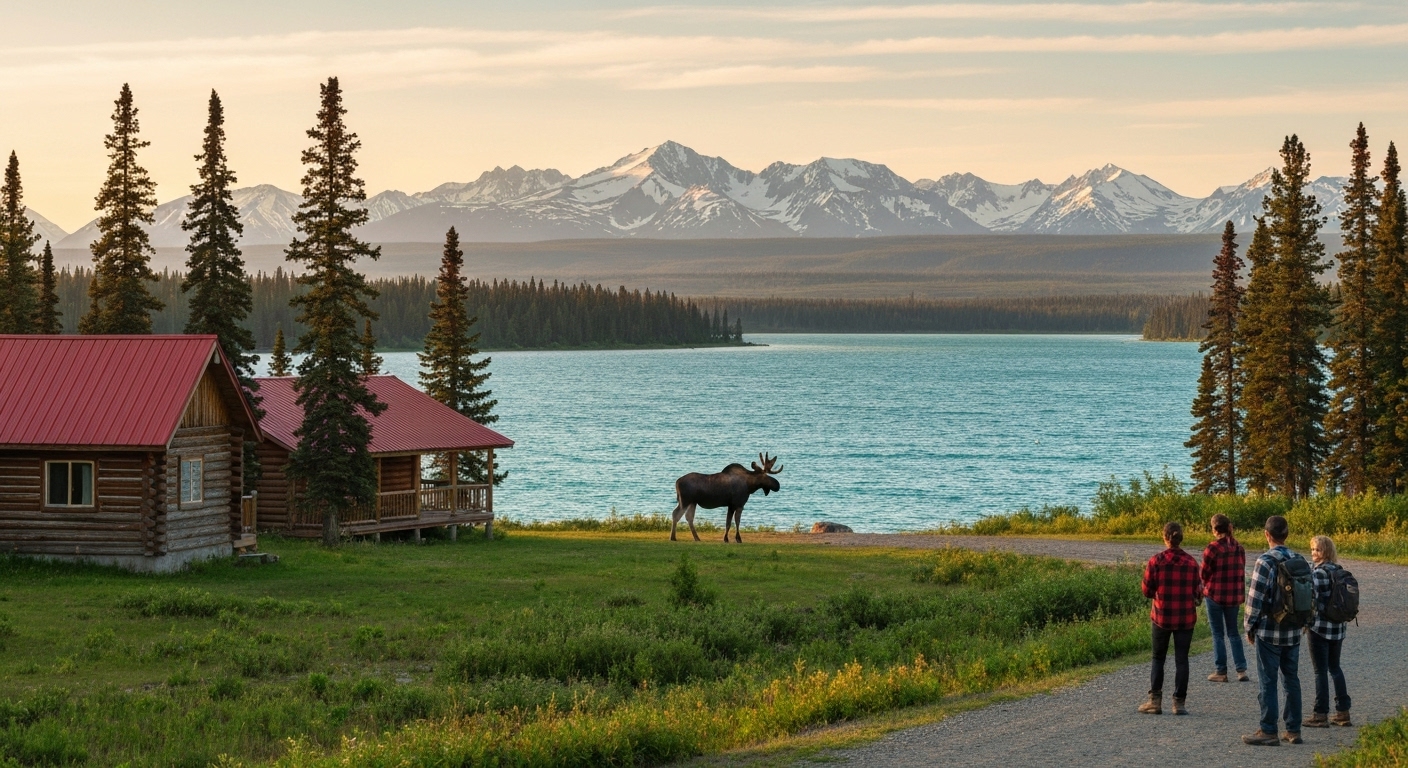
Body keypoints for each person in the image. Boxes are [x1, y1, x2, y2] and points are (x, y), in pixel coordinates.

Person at [1243, 515, 1306, 746]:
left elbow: (1255, 598)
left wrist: (1249, 627)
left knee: (1268, 681)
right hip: (1294, 630)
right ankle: (1293, 730)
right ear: (1286, 534)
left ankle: (1268, 730)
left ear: (1267, 534)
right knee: (1291, 679)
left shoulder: (1265, 561)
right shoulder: (1299, 559)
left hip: (1269, 631)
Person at [1138, 521, 1202, 715]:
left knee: (1158, 658)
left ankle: (1155, 701)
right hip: (1185, 618)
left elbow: (1147, 591)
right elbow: (1199, 593)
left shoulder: (1156, 561)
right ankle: (1179, 703)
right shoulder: (1191, 562)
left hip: (1162, 616)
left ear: (1164, 537)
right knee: (1182, 659)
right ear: (1181, 538)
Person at [1304, 535, 1352, 728]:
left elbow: (1311, 600)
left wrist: (1305, 622)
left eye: (1318, 550)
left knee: (1320, 671)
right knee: (1335, 668)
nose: (1314, 553)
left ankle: (1320, 714)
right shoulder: (1339, 570)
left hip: (1319, 628)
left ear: (1326, 551)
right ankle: (1343, 711)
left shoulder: (1318, 574)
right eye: (1313, 549)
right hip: (1338, 628)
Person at [1201, 513, 1248, 682]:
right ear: (1230, 527)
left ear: (1214, 530)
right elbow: (1241, 569)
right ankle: (1241, 670)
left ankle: (1221, 671)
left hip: (1215, 595)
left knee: (1218, 634)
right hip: (1233, 596)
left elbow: (1204, 574)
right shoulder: (1239, 548)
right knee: (1234, 632)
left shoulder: (1212, 548)